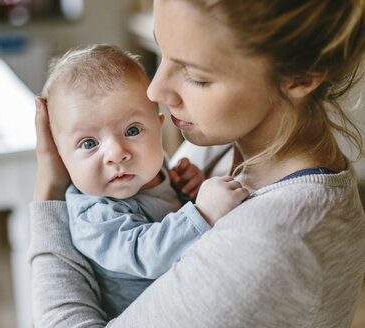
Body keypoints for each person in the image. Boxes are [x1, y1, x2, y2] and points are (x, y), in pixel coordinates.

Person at [29, 0, 365, 327]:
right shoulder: (225, 139)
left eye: (194, 75)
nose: (155, 91)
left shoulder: (270, 246)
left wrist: (50, 194)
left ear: (300, 75)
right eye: (162, 53)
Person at [39, 44, 249, 319]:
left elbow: (168, 205)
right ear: (61, 155)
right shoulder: (96, 213)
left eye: (133, 130)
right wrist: (202, 213)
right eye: (89, 143)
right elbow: (146, 254)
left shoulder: (154, 167)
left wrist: (188, 187)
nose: (116, 154)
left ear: (159, 125)